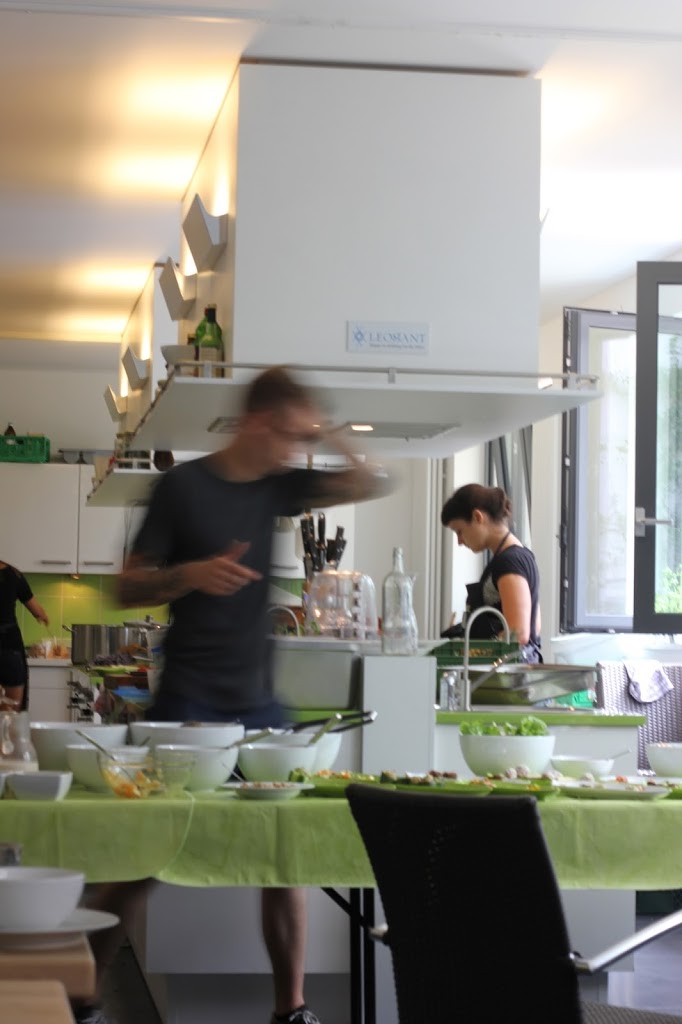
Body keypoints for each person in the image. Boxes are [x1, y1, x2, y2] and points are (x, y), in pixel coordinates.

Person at [74, 366, 390, 1024]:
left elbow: (372, 482)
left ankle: (290, 1011)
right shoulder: (181, 487)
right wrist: (189, 574)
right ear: (255, 423)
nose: (296, 449)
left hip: (259, 704)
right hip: (190, 700)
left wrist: (327, 430)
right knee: (146, 856)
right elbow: (126, 588)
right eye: (289, 435)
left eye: (302, 439)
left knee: (285, 854)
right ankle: (83, 995)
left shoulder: (279, 486)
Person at [440, 483, 542, 662]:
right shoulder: (519, 556)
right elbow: (535, 624)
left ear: (477, 517)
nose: (460, 541)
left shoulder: (509, 562)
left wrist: (474, 653)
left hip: (508, 672)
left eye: (460, 531)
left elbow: (518, 633)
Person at [0, 560, 49, 710]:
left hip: (9, 648)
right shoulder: (13, 574)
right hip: (9, 648)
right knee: (12, 711)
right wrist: (43, 617)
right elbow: (38, 612)